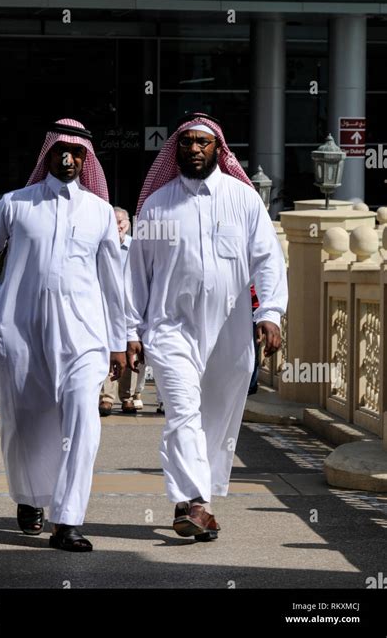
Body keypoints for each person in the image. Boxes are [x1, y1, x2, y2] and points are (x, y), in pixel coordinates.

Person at [125, 112, 288, 541]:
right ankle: (195, 502)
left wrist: (269, 313)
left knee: (216, 419)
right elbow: (136, 274)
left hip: (230, 333)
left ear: (219, 149)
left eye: (203, 143)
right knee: (182, 411)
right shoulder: (157, 204)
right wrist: (131, 331)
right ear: (175, 148)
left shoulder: (244, 199)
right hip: (169, 327)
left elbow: (267, 259)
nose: (194, 149)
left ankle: (197, 502)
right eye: (186, 143)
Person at [0, 118, 126, 553]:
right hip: (19, 332)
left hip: (84, 337)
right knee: (27, 423)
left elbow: (113, 282)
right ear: (47, 155)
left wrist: (119, 339)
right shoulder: (16, 204)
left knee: (83, 422)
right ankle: (29, 495)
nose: (68, 158)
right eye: (61, 150)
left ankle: (67, 520)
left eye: (76, 152)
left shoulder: (99, 212)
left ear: (85, 158)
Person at [99, 206, 146, 416]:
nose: (118, 226)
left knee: (130, 349)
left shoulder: (137, 247)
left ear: (128, 224)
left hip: (131, 306)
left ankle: (127, 397)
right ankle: (106, 397)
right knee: (108, 349)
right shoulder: (103, 245)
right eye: (114, 222)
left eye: (122, 222)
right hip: (107, 305)